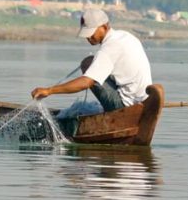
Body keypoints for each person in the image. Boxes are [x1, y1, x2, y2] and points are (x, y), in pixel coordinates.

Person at [30, 8, 153, 136]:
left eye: (91, 33)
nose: (88, 38)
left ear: (104, 27)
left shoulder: (108, 49)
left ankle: (111, 114)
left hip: (125, 107)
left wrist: (49, 91)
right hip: (143, 100)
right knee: (89, 61)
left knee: (88, 65)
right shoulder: (126, 36)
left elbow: (85, 82)